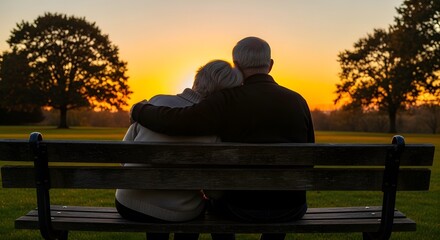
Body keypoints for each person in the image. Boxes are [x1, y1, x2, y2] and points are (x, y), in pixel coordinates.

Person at [130, 36, 315, 240]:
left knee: (213, 203)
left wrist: (139, 109)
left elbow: (176, 121)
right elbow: (309, 160)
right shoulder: (298, 101)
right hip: (290, 207)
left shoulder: (228, 99)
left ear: (235, 65)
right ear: (270, 65)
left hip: (238, 207)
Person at [115, 59, 243, 240]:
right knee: (190, 209)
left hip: (129, 204)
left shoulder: (155, 103)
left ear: (198, 78)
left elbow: (123, 157)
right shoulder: (214, 128)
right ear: (225, 93)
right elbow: (214, 191)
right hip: (181, 212)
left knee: (160, 211)